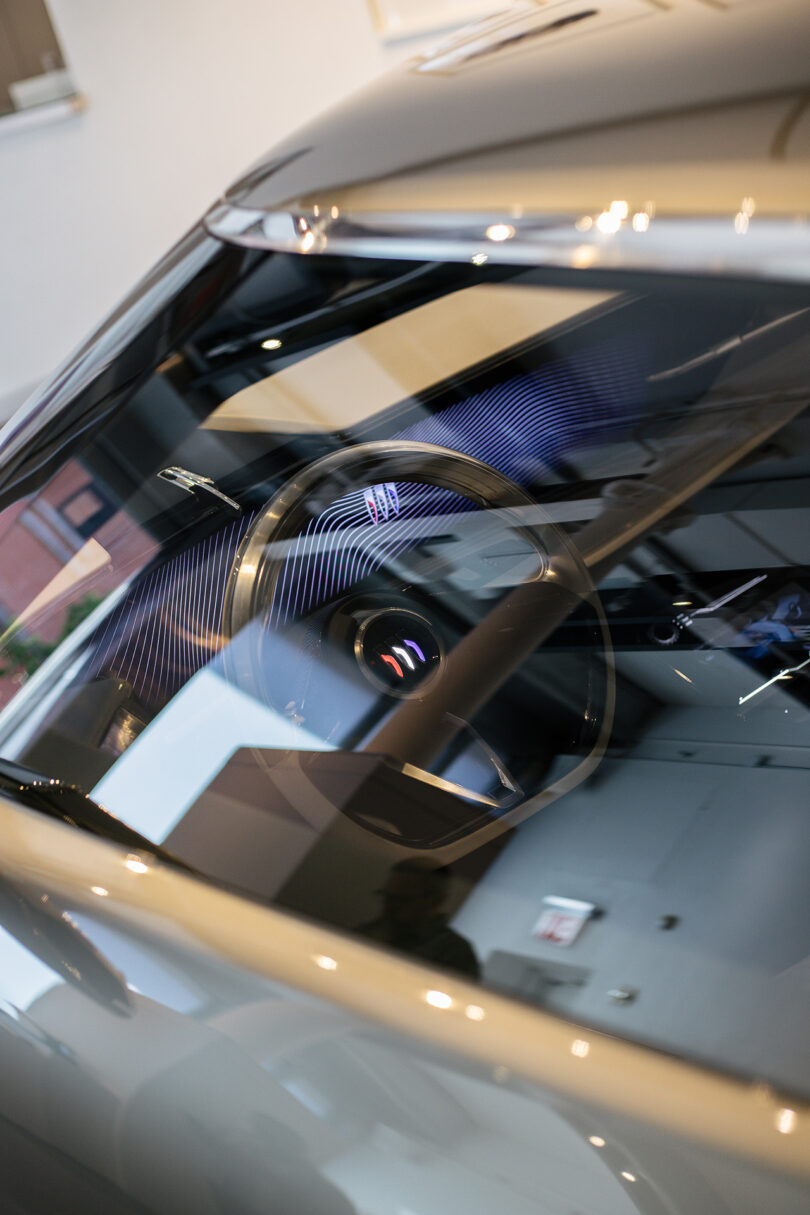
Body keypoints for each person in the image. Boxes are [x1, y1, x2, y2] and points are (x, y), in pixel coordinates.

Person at [361, 858, 480, 979]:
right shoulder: (367, 933)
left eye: (402, 900)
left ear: (436, 900)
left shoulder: (455, 953)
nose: (389, 906)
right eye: (387, 896)